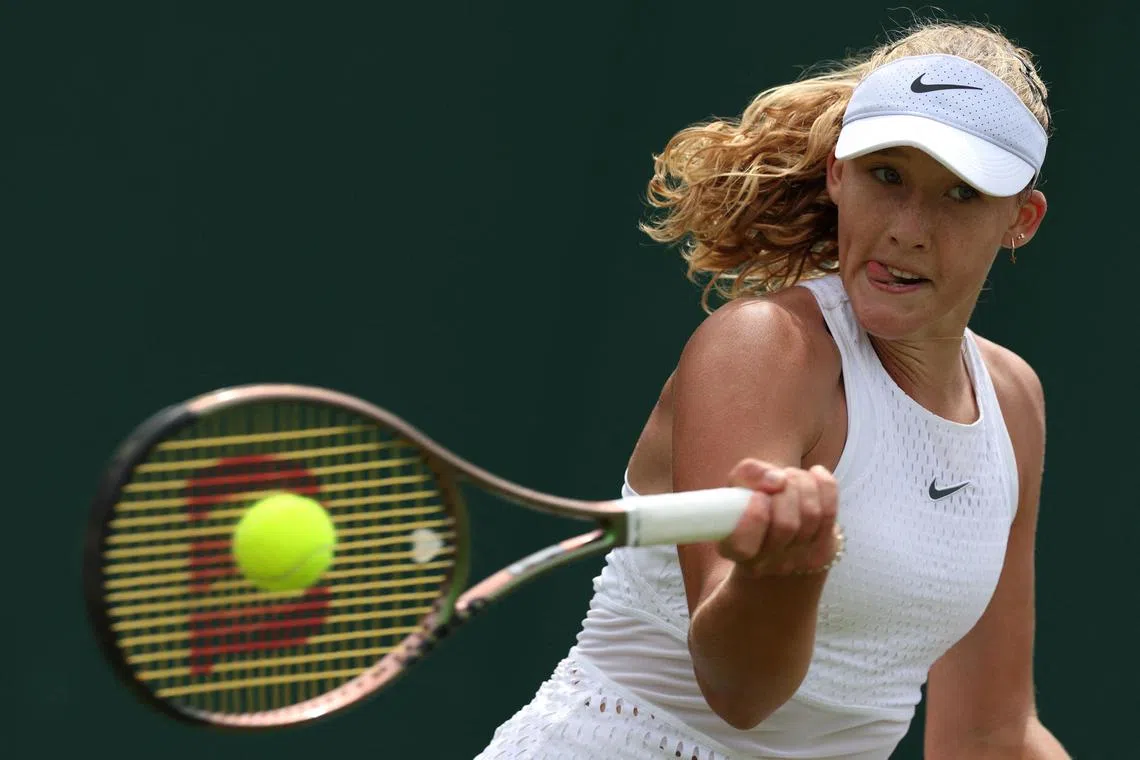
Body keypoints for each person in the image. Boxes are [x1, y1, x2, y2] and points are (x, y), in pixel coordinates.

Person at [474, 18, 1071, 760]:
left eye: (959, 195)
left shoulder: (1012, 403)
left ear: (1021, 220)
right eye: (886, 175)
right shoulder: (765, 348)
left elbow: (989, 735)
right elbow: (739, 693)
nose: (909, 229)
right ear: (837, 174)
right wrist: (784, 574)